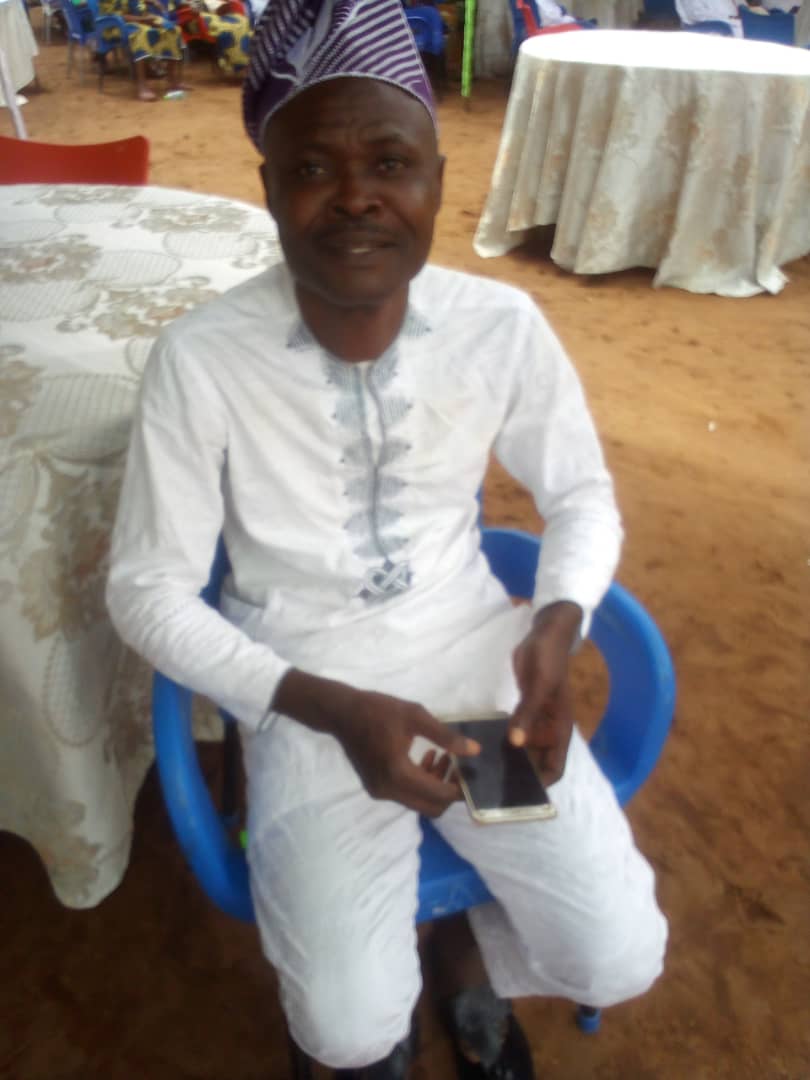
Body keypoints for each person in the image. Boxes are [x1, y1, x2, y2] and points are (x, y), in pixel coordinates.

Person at [106, 1, 667, 1076]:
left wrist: (554, 629)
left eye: (392, 163)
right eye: (313, 168)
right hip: (309, 698)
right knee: (349, 1031)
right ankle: (403, 984)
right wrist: (322, 706)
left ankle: (463, 948)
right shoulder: (202, 358)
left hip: (473, 693)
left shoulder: (499, 327)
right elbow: (146, 588)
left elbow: (582, 496)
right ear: (269, 189)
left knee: (616, 957)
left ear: (438, 183)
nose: (357, 196)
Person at [97, 0, 187, 100]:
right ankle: (142, 86)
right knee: (141, 33)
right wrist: (143, 20)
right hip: (114, 26)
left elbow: (138, 5)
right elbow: (118, 16)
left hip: (139, 20)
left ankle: (171, 79)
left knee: (172, 29)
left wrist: (152, 5)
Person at [173, 0, 252, 78]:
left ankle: (240, 62)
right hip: (200, 19)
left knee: (241, 24)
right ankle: (236, 62)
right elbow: (185, 9)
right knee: (230, 29)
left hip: (217, 15)